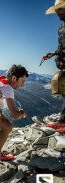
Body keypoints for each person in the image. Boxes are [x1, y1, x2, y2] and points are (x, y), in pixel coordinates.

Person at [45, 0, 65, 132]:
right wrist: (54, 55)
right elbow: (61, 47)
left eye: (60, 9)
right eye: (56, 10)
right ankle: (63, 121)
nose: (57, 13)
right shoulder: (61, 28)